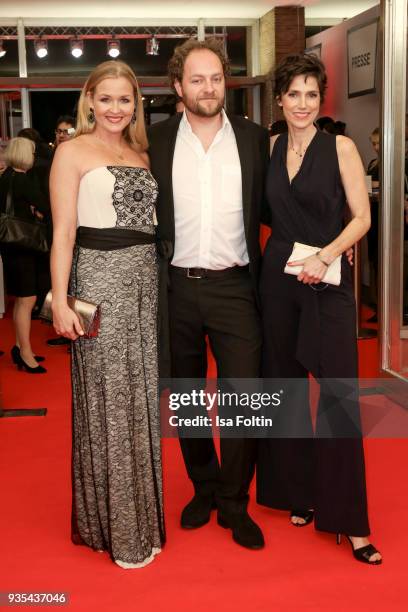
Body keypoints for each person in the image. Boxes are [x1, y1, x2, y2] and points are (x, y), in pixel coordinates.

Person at [257, 53, 382, 564]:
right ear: (281, 100)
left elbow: (363, 217)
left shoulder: (343, 148)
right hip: (278, 280)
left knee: (337, 395)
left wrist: (328, 253)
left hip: (327, 280)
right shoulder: (268, 148)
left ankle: (349, 520)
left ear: (319, 99)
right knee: (282, 387)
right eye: (294, 94)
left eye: (312, 94)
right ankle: (299, 492)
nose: (303, 103)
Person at [148, 38, 269, 550]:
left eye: (216, 78)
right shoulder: (153, 142)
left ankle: (235, 501)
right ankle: (204, 485)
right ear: (178, 87)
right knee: (187, 395)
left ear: (226, 81)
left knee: (245, 395)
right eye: (197, 79)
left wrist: (333, 244)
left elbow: (281, 203)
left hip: (235, 286)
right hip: (174, 286)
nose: (208, 87)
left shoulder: (255, 139)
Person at [49, 60, 164, 568]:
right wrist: (60, 300)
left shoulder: (140, 153)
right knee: (110, 404)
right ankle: (118, 530)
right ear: (89, 101)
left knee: (138, 399)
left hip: (144, 284)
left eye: (125, 99)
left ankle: (141, 516)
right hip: (98, 280)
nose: (116, 108)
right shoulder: (71, 152)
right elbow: (63, 235)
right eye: (107, 98)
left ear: (135, 103)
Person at [0, 137, 49, 373]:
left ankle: (20, 347)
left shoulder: (4, 178)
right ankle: (25, 353)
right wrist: (37, 212)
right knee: (27, 300)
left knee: (22, 299)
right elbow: (46, 205)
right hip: (23, 246)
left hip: (9, 245)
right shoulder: (22, 180)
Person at [47, 116, 76, 347]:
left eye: (67, 130)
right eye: (59, 131)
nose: (62, 134)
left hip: (80, 230)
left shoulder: (78, 154)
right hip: (58, 228)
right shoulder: (52, 157)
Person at [366, 127, 380, 322]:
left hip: (388, 218)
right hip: (373, 215)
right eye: (374, 143)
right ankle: (378, 304)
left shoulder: (398, 163)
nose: (376, 147)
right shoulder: (373, 162)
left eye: (378, 143)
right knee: (374, 260)